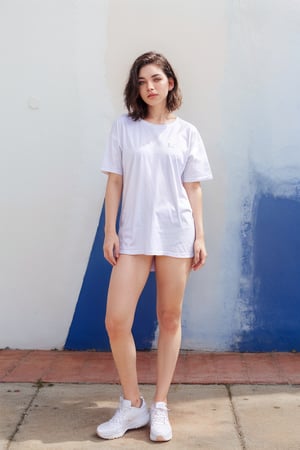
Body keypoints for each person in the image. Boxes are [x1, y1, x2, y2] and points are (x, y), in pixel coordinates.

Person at [97, 51, 212, 442]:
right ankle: (133, 405)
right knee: (116, 321)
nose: (150, 87)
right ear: (136, 87)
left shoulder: (187, 133)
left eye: (157, 79)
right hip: (132, 235)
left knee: (170, 317)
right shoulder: (124, 128)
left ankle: (159, 405)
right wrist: (109, 232)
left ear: (170, 83)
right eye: (143, 81)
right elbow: (114, 182)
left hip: (175, 233)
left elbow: (193, 187)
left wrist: (199, 235)